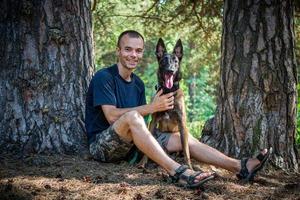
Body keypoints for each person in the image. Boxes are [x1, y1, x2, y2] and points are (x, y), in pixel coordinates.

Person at [85, 30, 270, 189]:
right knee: (133, 116)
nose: (133, 55)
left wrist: (153, 112)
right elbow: (111, 117)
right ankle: (178, 171)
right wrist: (151, 107)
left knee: (184, 138)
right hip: (103, 146)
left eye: (138, 50)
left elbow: (143, 122)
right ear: (118, 51)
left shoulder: (138, 84)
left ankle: (240, 166)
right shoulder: (104, 77)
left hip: (133, 146)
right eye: (128, 49)